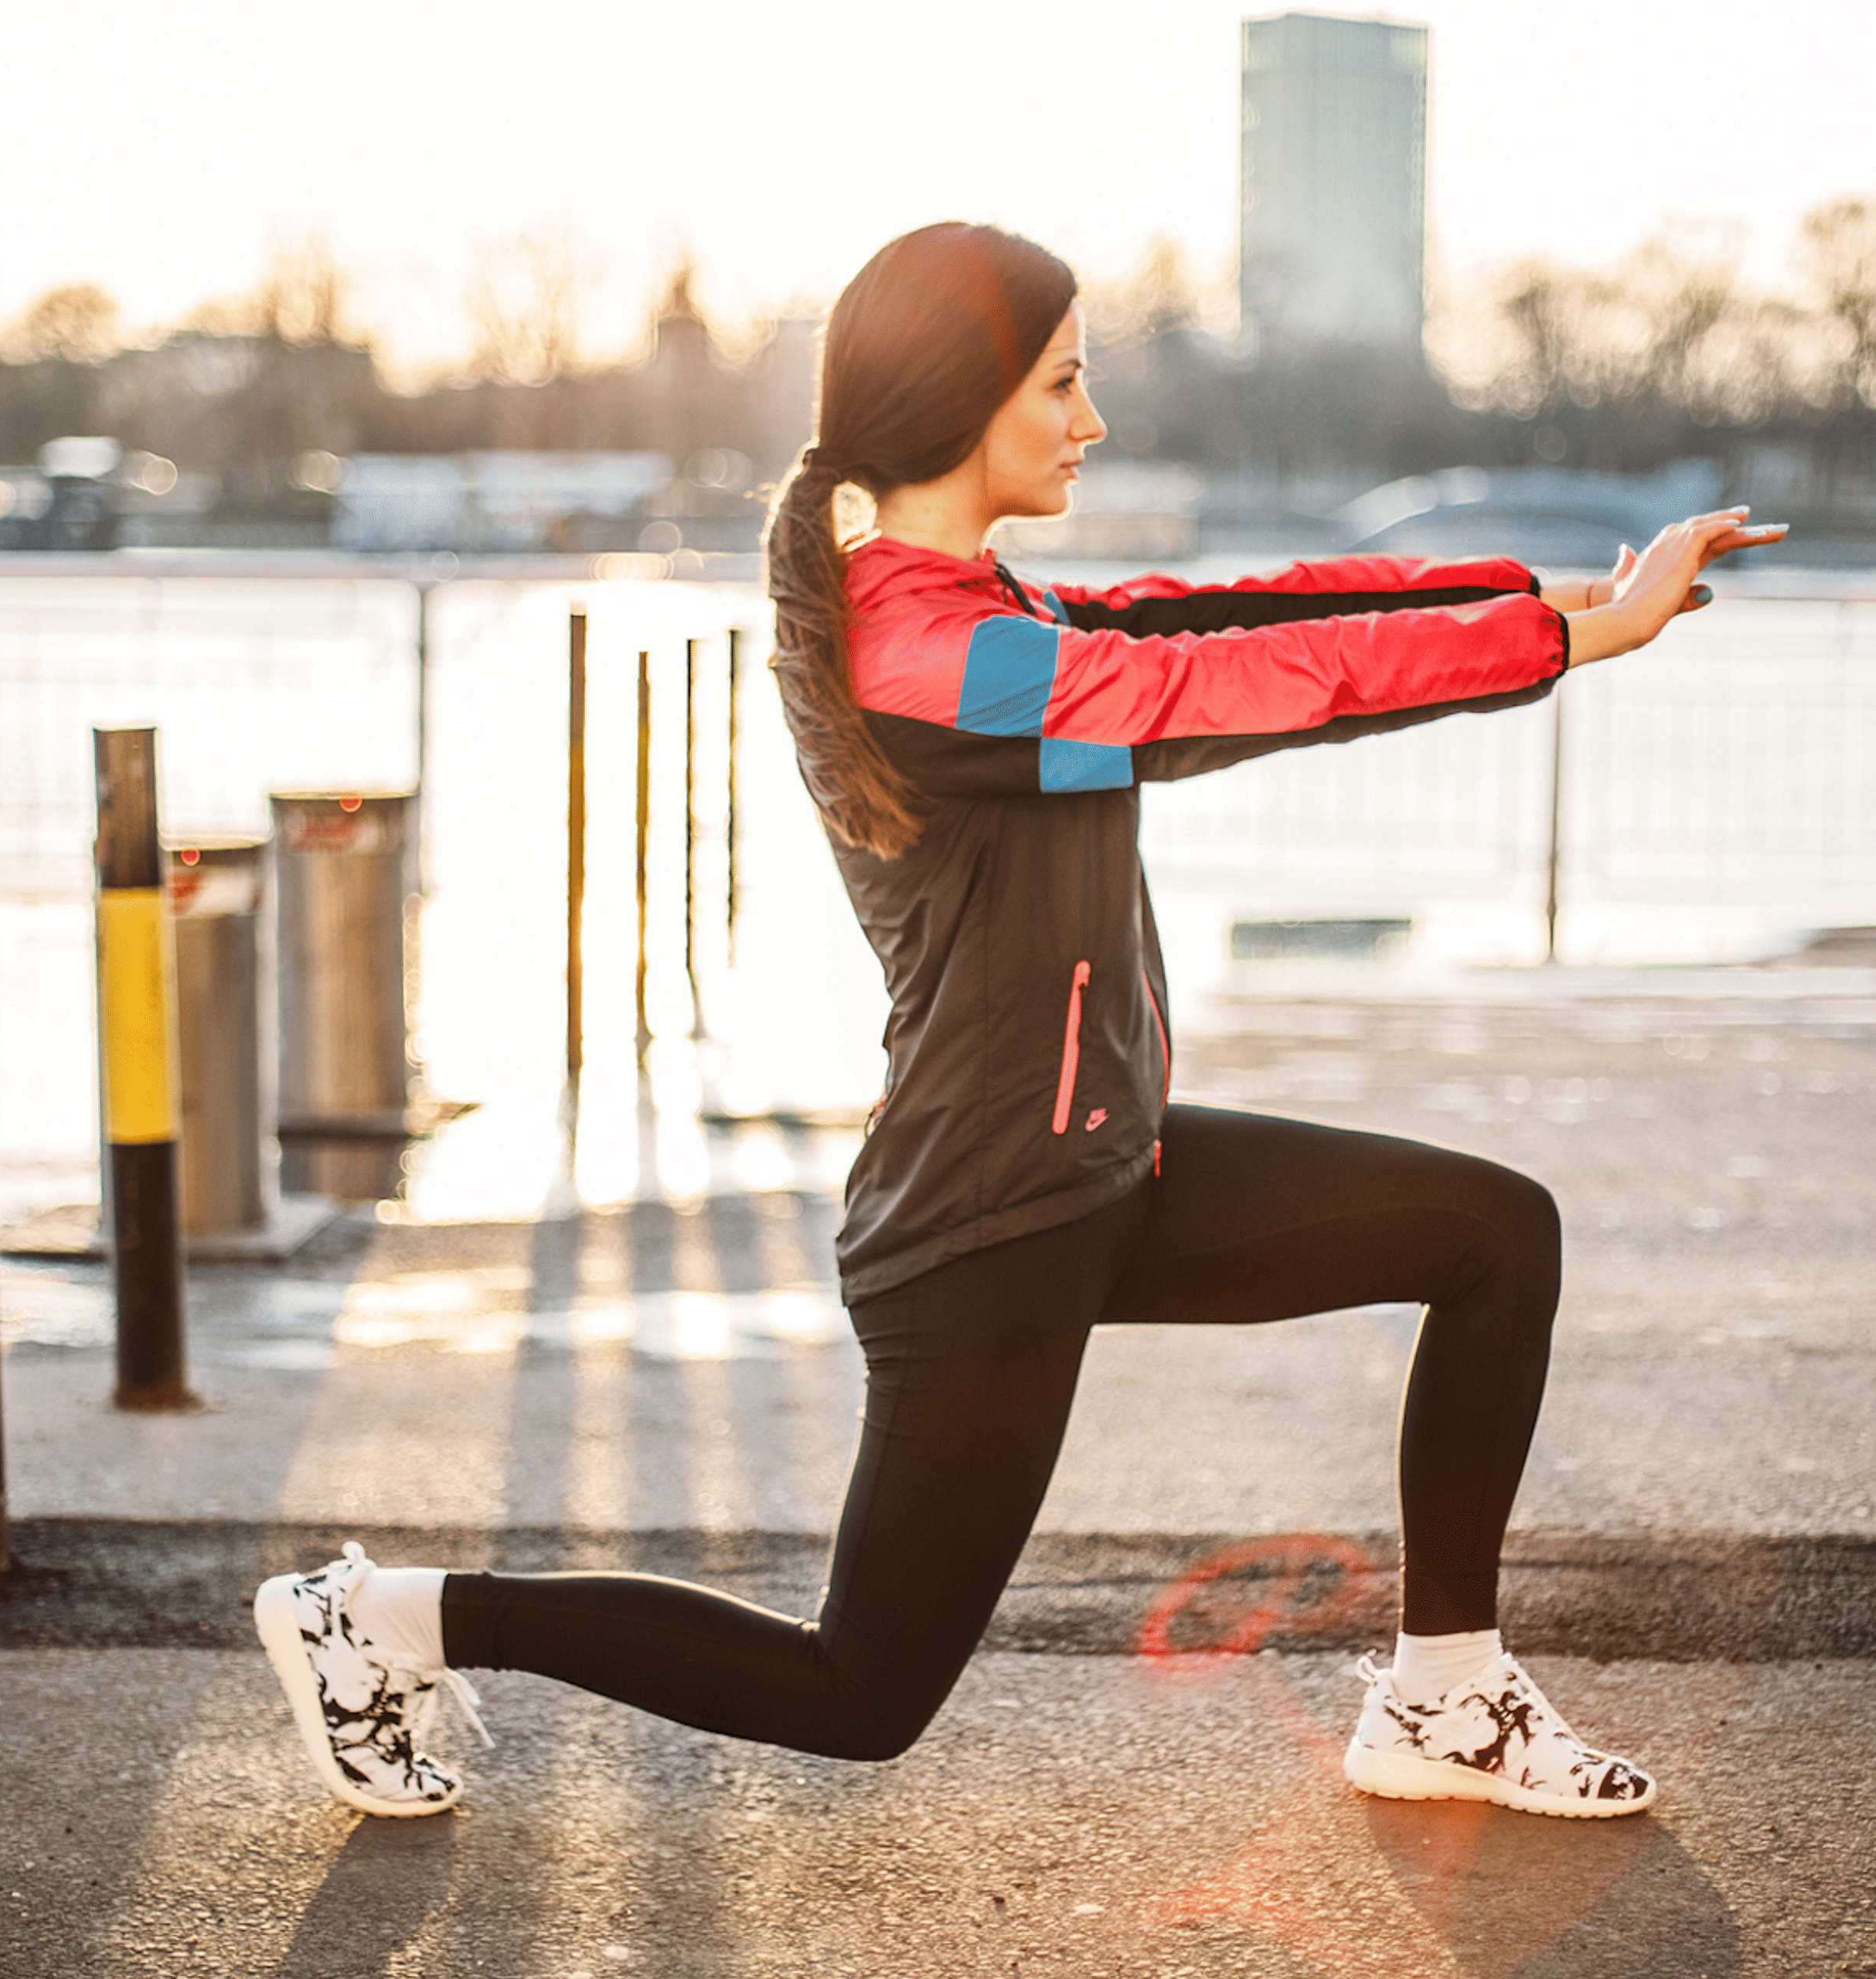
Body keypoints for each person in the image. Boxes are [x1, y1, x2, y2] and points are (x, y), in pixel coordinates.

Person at [255, 222, 1786, 1824]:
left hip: (1100, 1170)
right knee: (858, 1692)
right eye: (1064, 382)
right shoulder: (934, 661)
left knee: (1492, 1234)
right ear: (957, 401)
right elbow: (1234, 689)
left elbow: (1219, 623)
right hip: (989, 1221)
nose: (1091, 420)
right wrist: (1565, 641)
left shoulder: (984, 620)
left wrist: (1532, 592)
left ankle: (1446, 1692)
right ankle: (390, 1616)